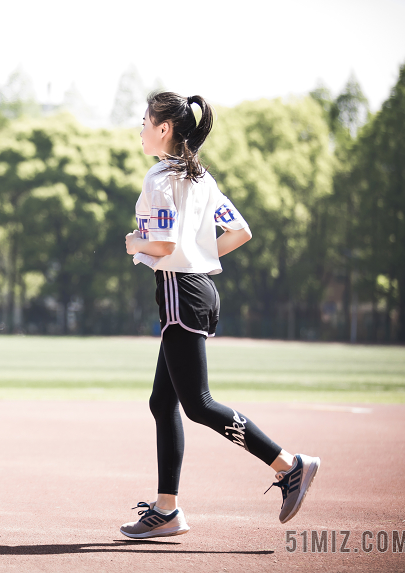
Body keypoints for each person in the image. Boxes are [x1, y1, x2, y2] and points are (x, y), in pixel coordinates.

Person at [120, 91, 320, 540]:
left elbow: (163, 246)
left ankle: (289, 464)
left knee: (198, 404)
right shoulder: (201, 177)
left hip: (178, 290)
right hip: (200, 289)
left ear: (164, 128)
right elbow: (240, 231)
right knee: (162, 401)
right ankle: (166, 509)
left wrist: (134, 243)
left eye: (145, 119)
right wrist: (200, 253)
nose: (141, 127)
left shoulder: (159, 177)